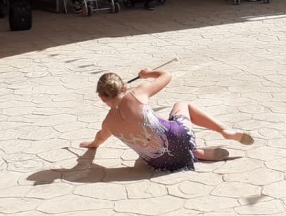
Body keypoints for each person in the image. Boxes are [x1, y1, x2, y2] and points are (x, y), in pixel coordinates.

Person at [81, 67, 254, 172]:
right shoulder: (137, 93)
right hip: (180, 137)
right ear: (125, 87)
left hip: (159, 162)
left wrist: (92, 144)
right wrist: (149, 73)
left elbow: (100, 138)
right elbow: (166, 75)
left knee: (150, 147)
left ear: (102, 98)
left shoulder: (108, 123)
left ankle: (195, 154)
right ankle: (223, 130)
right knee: (182, 104)